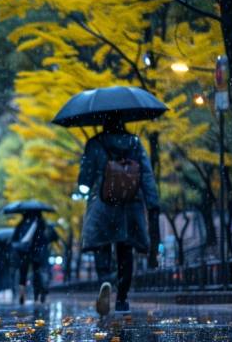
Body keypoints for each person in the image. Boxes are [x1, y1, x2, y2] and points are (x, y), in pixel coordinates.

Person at [78, 118, 160, 316]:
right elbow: (146, 174)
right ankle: (122, 298)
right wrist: (152, 201)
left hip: (103, 202)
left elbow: (85, 178)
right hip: (130, 203)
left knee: (101, 245)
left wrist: (84, 186)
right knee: (126, 250)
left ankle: (104, 279)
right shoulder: (135, 143)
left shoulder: (95, 143)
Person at [11, 212, 54, 305]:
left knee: (23, 274)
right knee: (36, 274)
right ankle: (36, 296)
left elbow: (14, 239)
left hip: (23, 252)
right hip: (36, 253)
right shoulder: (41, 224)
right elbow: (46, 239)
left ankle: (22, 293)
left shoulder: (21, 224)